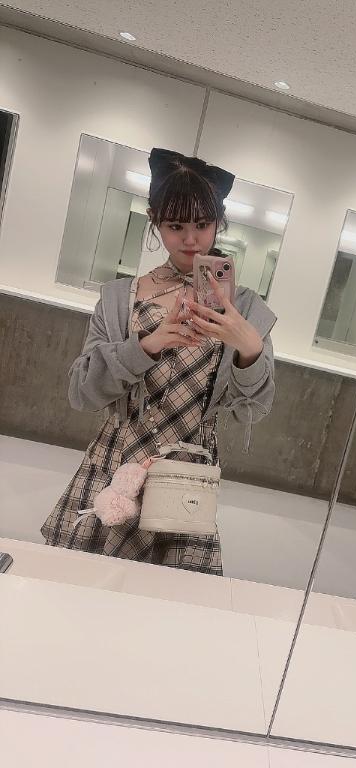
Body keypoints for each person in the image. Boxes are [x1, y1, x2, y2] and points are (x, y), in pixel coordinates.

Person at [41, 148, 276, 575]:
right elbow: (81, 393)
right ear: (155, 221)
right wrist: (145, 346)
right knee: (83, 590)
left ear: (219, 223)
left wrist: (249, 349)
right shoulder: (120, 298)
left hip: (186, 477)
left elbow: (253, 409)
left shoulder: (245, 310)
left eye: (202, 224)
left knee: (167, 605)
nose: (191, 240)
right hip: (115, 465)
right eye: (175, 226)